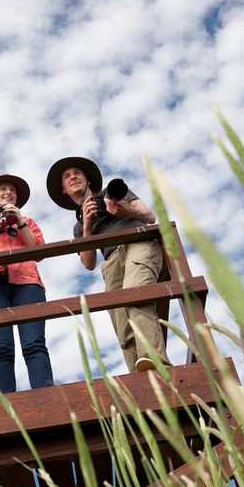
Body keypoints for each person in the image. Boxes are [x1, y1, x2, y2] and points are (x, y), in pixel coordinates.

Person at [46, 157, 168, 373]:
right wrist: (87, 226)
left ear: (88, 180)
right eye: (67, 176)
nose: (73, 176)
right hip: (111, 261)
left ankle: (155, 361)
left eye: (77, 173)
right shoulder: (79, 225)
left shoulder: (114, 194)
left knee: (136, 292)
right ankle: (140, 378)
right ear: (64, 190)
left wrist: (124, 211)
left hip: (138, 242)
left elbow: (149, 216)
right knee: (121, 321)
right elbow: (88, 263)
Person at [0, 174, 54, 393]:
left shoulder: (28, 221)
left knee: (34, 343)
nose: (8, 193)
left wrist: (20, 222)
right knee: (0, 348)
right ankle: (4, 404)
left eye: (12, 190)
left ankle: (45, 394)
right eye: (3, 189)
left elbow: (39, 251)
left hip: (27, 282)